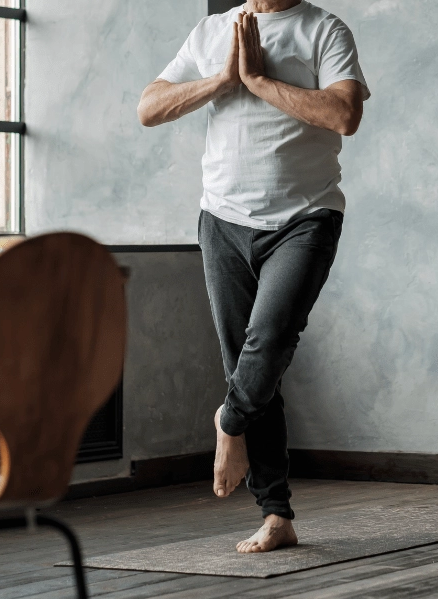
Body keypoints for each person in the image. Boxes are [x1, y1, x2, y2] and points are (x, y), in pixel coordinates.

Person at [137, 0, 369, 553]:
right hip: (222, 220)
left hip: (306, 216)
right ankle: (276, 514)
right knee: (245, 360)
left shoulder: (324, 30)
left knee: (268, 343)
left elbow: (344, 115)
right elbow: (149, 107)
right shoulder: (212, 30)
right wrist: (221, 80)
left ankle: (230, 420)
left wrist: (258, 80)